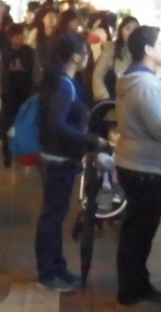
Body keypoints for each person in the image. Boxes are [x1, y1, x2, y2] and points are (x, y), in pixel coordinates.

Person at [114, 25, 161, 311]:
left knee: (136, 230)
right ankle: (131, 289)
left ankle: (137, 284)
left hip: (135, 161)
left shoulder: (131, 78)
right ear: (147, 49)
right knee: (139, 232)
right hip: (145, 166)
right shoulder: (146, 84)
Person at [35, 31, 107, 292]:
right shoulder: (64, 85)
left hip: (58, 157)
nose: (88, 58)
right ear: (76, 57)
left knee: (55, 215)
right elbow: (57, 123)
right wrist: (89, 139)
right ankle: (48, 272)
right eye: (86, 53)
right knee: (53, 217)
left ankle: (58, 267)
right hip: (58, 159)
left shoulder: (60, 81)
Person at [0, 24, 37, 167]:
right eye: (17, 35)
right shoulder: (4, 52)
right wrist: (1, 90)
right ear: (10, 37)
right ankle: (7, 153)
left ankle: (23, 151)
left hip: (25, 94)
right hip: (9, 94)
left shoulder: (30, 52)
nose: (21, 37)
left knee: (24, 123)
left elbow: (35, 72)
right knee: (7, 124)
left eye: (21, 34)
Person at [93, 15, 139, 102]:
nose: (131, 32)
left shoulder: (141, 52)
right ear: (121, 31)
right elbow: (98, 75)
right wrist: (104, 99)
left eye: (135, 29)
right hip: (111, 99)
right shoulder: (111, 49)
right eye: (128, 29)